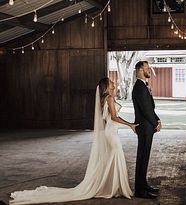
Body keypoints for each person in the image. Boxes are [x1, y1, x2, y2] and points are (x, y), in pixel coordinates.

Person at [10, 77, 138, 205]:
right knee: (116, 157)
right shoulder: (109, 98)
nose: (113, 83)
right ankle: (113, 187)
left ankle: (112, 186)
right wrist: (130, 125)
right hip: (111, 133)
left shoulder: (106, 98)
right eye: (111, 82)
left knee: (113, 158)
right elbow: (114, 117)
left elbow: (110, 117)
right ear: (106, 86)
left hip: (110, 132)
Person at [132, 61, 162, 199]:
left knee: (145, 157)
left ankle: (144, 185)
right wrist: (155, 123)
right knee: (142, 158)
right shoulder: (139, 87)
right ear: (139, 70)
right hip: (144, 127)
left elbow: (151, 107)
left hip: (147, 126)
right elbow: (145, 110)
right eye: (146, 68)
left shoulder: (144, 86)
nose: (149, 70)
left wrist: (158, 120)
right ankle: (139, 190)